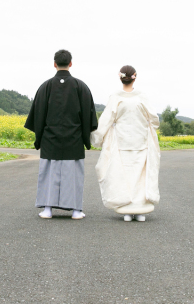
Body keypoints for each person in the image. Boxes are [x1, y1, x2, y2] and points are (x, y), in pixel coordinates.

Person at [25, 49, 98, 220]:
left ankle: (48, 209)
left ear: (54, 64)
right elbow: (90, 116)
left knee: (50, 173)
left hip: (51, 139)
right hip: (74, 139)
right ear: (70, 63)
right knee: (73, 176)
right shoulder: (81, 87)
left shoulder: (46, 86)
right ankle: (76, 211)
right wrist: (85, 138)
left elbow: (38, 114)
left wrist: (40, 137)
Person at [92, 65, 160, 222]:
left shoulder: (115, 97)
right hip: (141, 139)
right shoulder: (142, 96)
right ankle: (141, 210)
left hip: (121, 141)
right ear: (135, 76)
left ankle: (127, 210)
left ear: (120, 77)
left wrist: (97, 138)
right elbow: (154, 119)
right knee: (141, 174)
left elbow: (106, 119)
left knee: (124, 174)